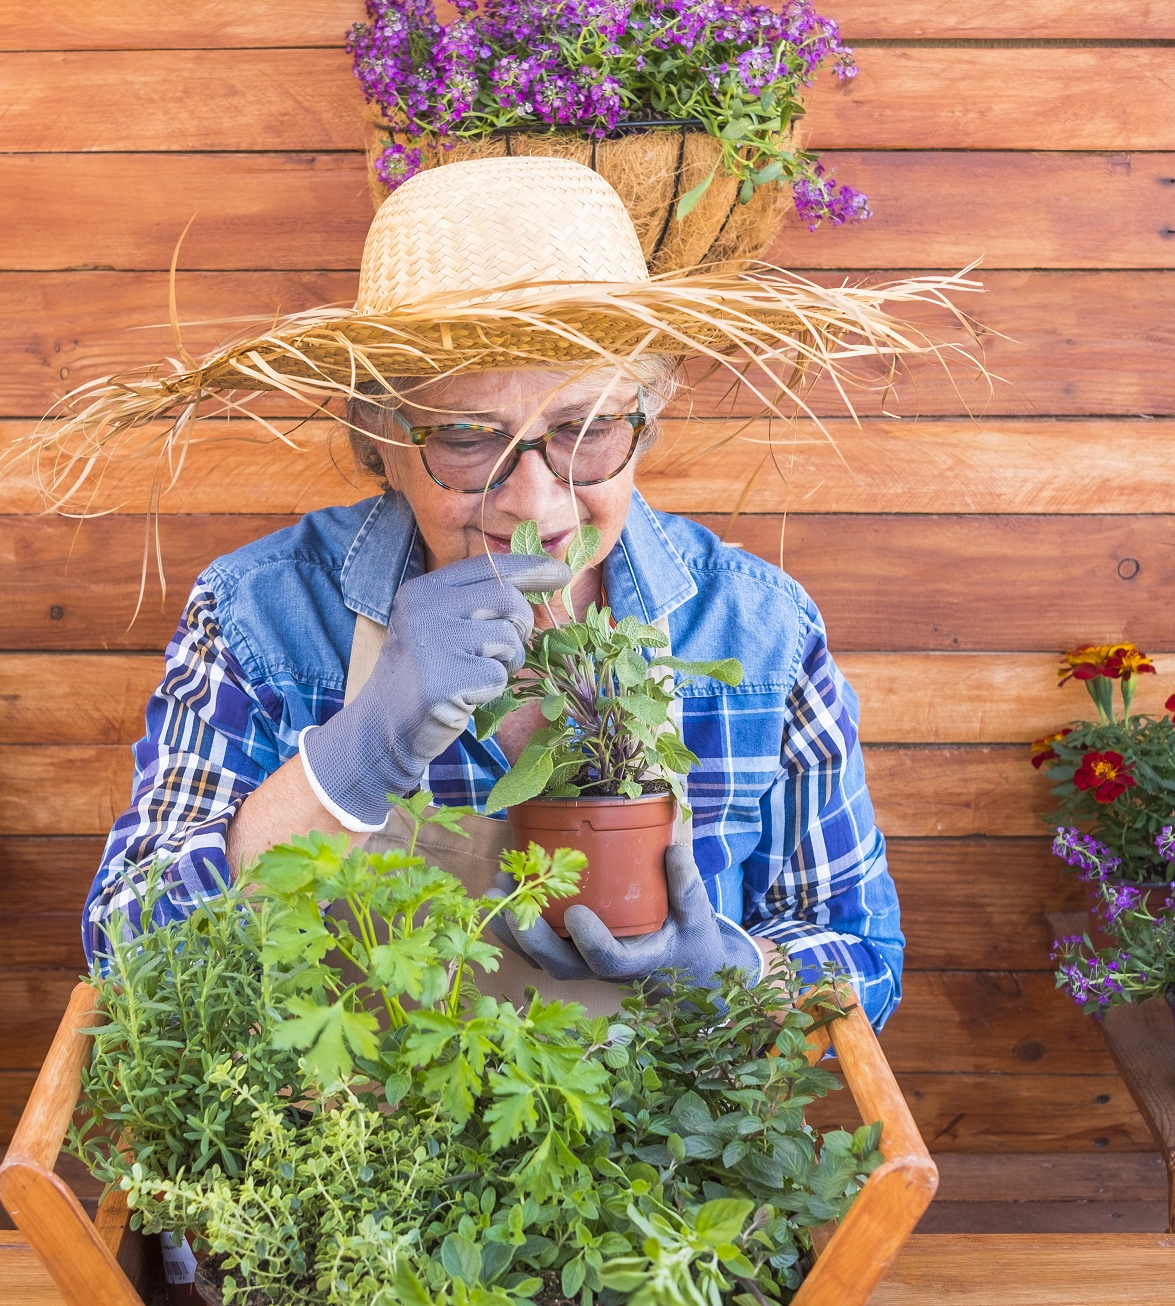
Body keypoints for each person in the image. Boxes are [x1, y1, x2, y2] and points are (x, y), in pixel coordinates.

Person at [70, 157, 910, 1025]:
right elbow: (129, 960)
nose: (532, 502)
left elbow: (861, 962)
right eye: (469, 439)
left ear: (645, 421)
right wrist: (354, 759)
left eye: (586, 430)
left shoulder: (759, 630)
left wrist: (725, 971)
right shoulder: (262, 617)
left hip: (654, 1155)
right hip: (341, 1147)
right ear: (381, 441)